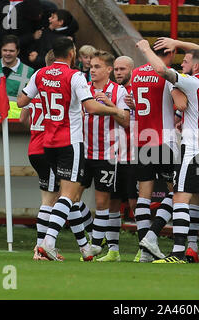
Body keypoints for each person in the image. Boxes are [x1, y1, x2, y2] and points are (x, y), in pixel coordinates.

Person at [17, 37, 125, 261]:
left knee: (63, 196)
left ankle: (81, 247)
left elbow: (20, 102)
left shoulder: (40, 74)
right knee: (68, 196)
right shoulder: (74, 75)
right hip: (69, 142)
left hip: (47, 143)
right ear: (72, 54)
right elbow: (91, 107)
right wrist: (115, 111)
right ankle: (48, 243)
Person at [137, 40, 199, 264]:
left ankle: (177, 253)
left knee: (180, 197)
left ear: (195, 66)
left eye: (185, 61)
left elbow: (162, 70)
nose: (182, 64)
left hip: (193, 149)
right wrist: (177, 43)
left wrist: (146, 48)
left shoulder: (192, 82)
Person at [130, 45, 188, 263]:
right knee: (178, 192)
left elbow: (138, 103)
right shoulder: (167, 74)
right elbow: (181, 105)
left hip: (142, 140)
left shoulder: (136, 74)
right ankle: (152, 237)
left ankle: (145, 250)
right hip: (164, 140)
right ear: (170, 53)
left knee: (143, 197)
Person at [80, 50, 131, 260]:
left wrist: (108, 104)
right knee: (71, 199)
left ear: (108, 70)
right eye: (91, 66)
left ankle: (95, 245)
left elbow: (127, 121)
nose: (92, 70)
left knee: (103, 203)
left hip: (108, 154)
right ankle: (96, 236)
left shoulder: (118, 91)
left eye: (97, 66)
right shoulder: (83, 88)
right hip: (83, 151)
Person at [19, 49, 61, 261]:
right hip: (48, 148)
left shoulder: (35, 87)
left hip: (33, 147)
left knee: (49, 198)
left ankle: (43, 247)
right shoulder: (58, 88)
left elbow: (21, 117)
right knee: (50, 200)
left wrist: (36, 129)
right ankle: (41, 249)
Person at [96, 55, 138, 262]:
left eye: (123, 69)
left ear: (132, 70)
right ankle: (113, 250)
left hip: (134, 154)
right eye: (117, 69)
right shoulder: (111, 90)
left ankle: (143, 248)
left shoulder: (136, 92)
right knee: (112, 202)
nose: (119, 72)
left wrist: (110, 105)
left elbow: (128, 123)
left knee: (134, 202)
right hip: (113, 155)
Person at [0, 35, 35, 120]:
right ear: (1, 50)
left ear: (18, 51)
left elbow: (30, 99)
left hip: (15, 122)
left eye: (11, 51)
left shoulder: (29, 72)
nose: (7, 54)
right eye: (5, 50)